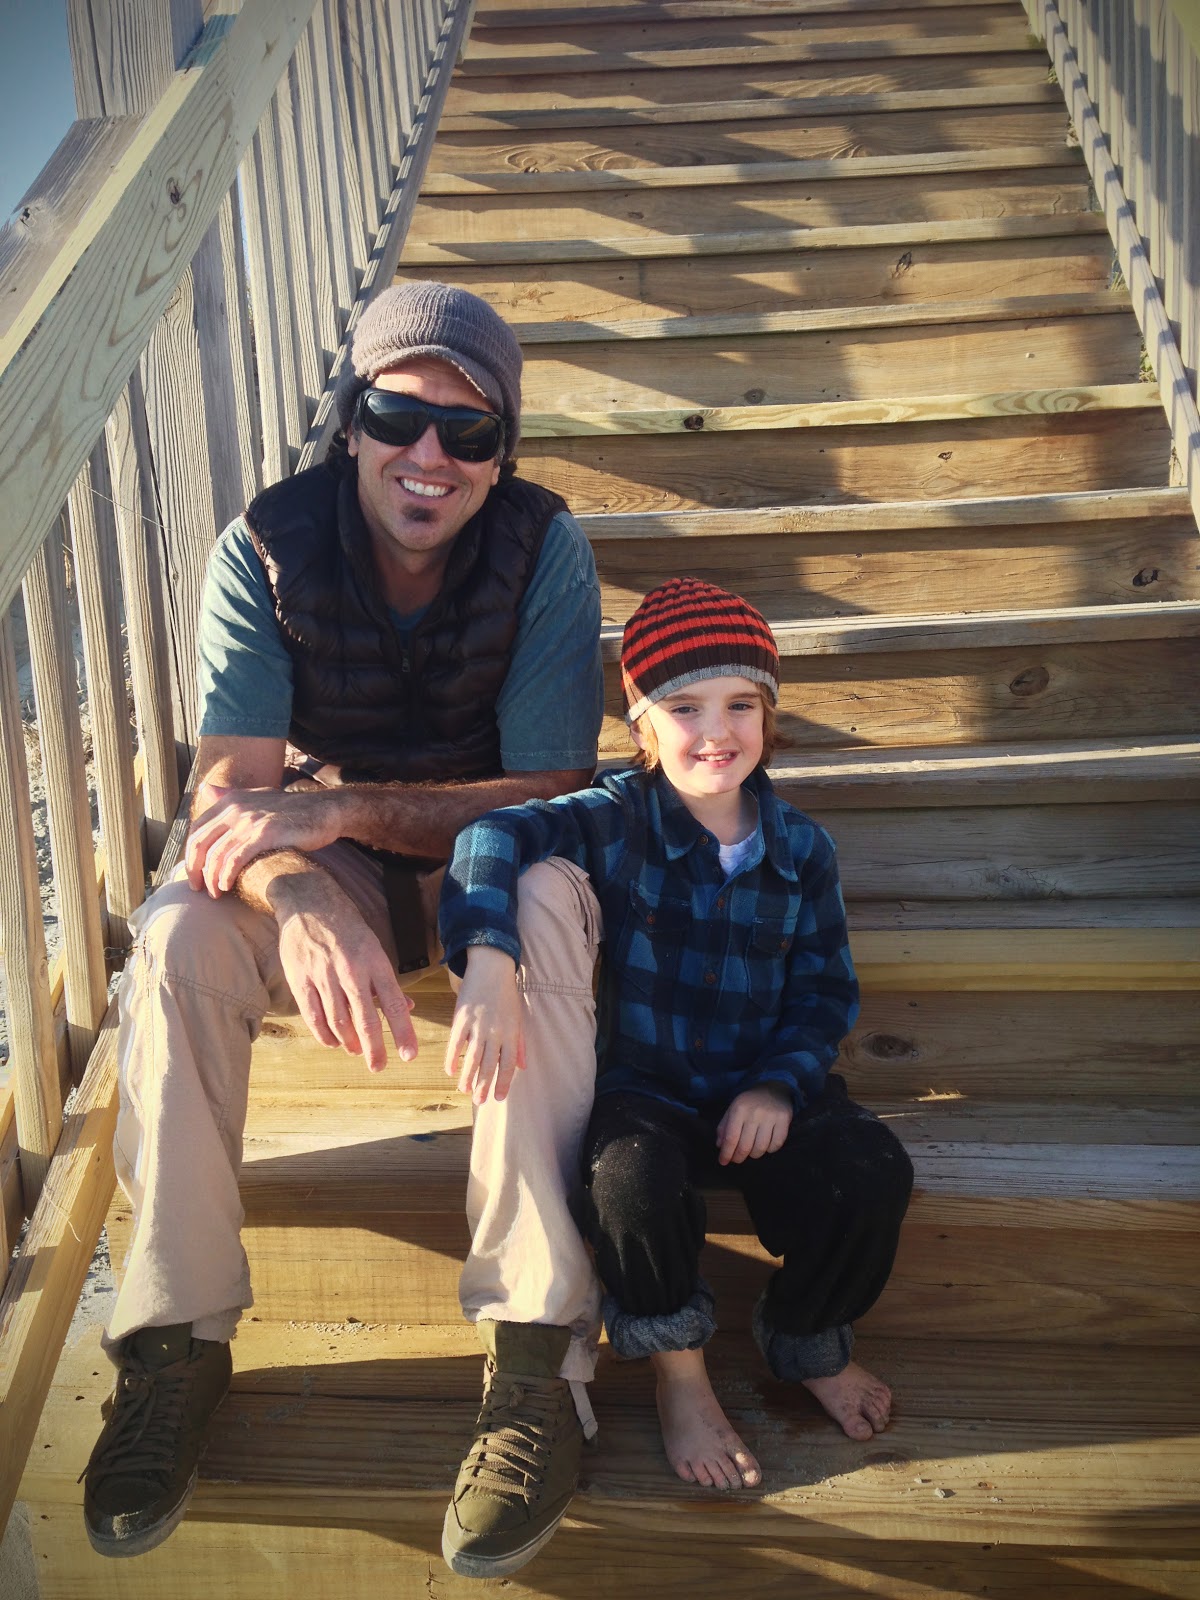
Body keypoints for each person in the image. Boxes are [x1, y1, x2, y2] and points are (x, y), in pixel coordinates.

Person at [81, 282, 607, 1570]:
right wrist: (304, 890)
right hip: (338, 862)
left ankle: (539, 1359)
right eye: (398, 415)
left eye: (469, 431)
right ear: (351, 422)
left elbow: (551, 791)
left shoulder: (545, 545)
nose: (430, 454)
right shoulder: (264, 546)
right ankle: (173, 1342)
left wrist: (344, 809)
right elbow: (230, 795)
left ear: (503, 452)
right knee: (181, 931)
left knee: (549, 894)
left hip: (485, 853)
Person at [440, 577, 914, 1511]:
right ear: (643, 727)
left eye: (741, 704)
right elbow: (491, 833)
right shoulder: (616, 815)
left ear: (769, 717)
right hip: (648, 1090)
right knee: (624, 1183)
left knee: (872, 1172)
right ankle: (681, 1376)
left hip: (761, 1091)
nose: (716, 731)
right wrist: (489, 956)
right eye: (684, 707)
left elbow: (825, 991)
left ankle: (808, 1338)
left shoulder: (802, 848)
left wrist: (778, 1087)